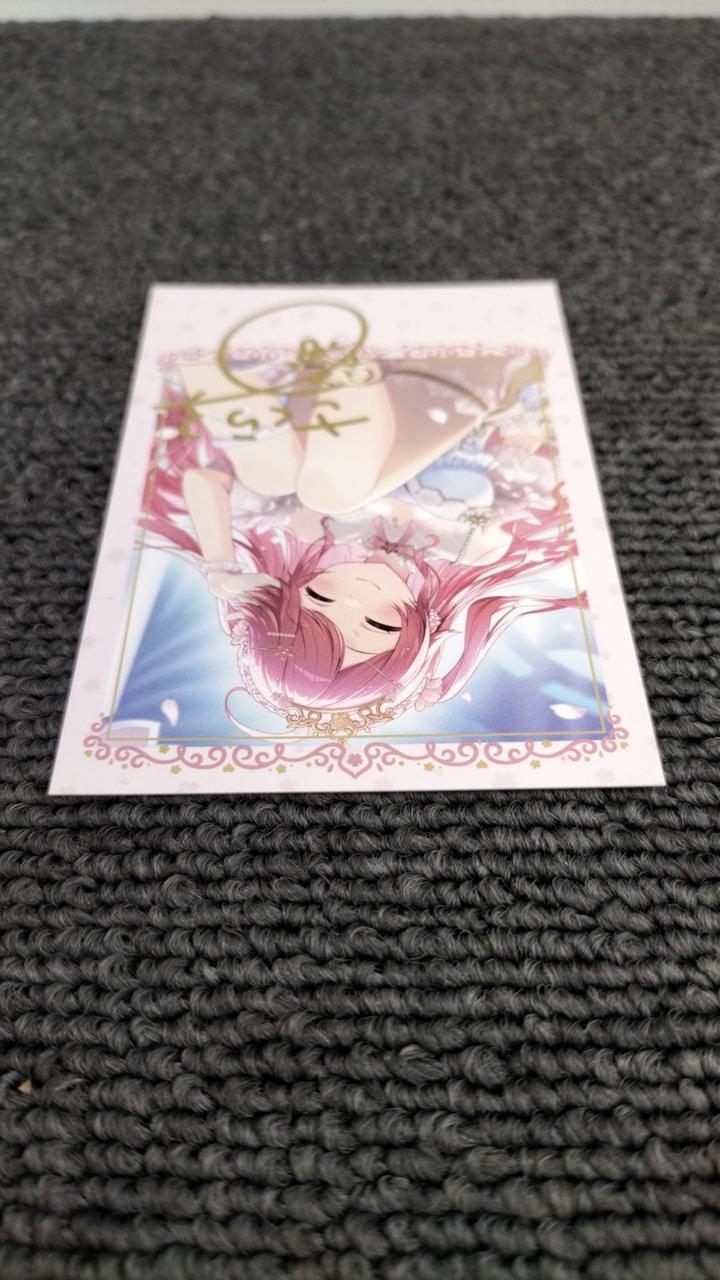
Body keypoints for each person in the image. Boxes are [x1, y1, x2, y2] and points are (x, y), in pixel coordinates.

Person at [139, 337, 577, 738]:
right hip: (451, 393)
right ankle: (331, 364)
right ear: (414, 638)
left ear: (290, 592)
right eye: (378, 624)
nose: (354, 598)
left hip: (355, 398)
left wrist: (221, 568)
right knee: (326, 492)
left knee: (271, 478)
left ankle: (223, 366)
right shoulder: (475, 547)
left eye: (320, 599)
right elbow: (519, 444)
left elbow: (204, 483)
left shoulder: (312, 528)